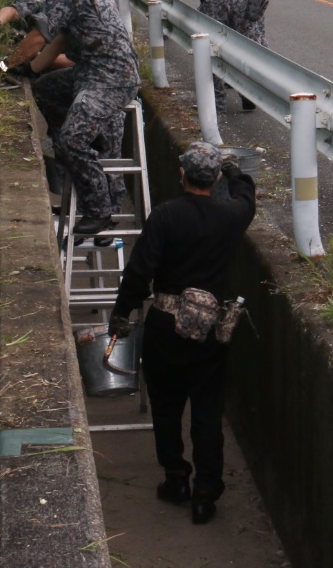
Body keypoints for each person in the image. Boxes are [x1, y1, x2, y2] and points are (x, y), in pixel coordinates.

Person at [107, 141, 256, 525]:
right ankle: (207, 493)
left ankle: (176, 478)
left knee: (167, 406)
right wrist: (236, 173)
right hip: (210, 332)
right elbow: (247, 197)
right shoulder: (231, 216)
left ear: (182, 174)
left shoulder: (165, 216)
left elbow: (140, 271)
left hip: (165, 326)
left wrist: (122, 313)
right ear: (216, 178)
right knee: (207, 411)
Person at [0, 0, 139, 236]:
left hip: (110, 79)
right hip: (93, 72)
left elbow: (38, 38)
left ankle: (99, 210)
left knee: (74, 140)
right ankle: (76, 142)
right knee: (46, 88)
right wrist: (32, 67)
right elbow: (59, 38)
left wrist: (5, 64)